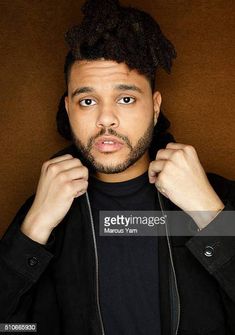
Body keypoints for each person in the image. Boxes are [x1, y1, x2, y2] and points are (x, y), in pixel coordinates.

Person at [0, 0, 234, 334]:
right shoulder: (43, 214)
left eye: (125, 99)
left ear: (154, 107)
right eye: (87, 101)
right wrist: (34, 229)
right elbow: (10, 327)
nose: (106, 118)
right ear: (68, 109)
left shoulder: (219, 199)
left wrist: (212, 217)